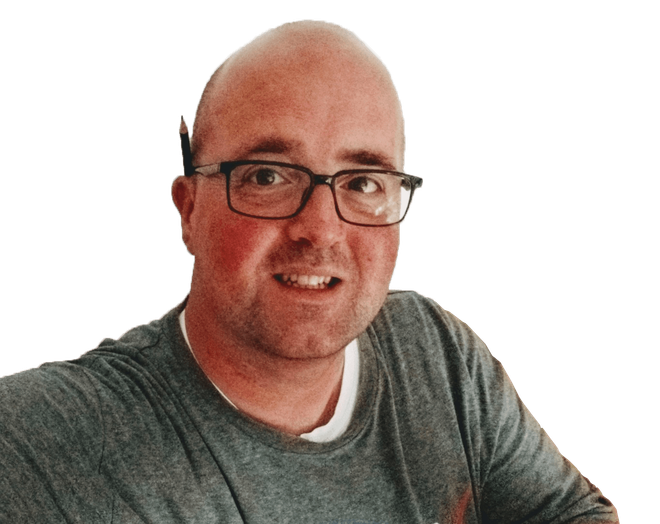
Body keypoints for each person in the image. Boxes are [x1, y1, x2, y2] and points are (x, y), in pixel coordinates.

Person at [0, 20, 618, 524]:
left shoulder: (436, 353)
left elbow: (570, 512)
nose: (320, 229)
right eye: (267, 176)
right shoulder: (43, 440)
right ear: (188, 209)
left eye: (363, 182)